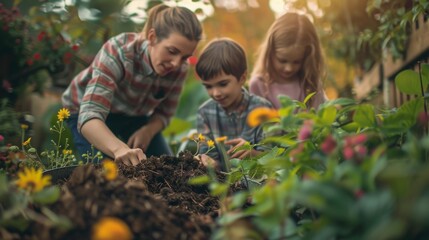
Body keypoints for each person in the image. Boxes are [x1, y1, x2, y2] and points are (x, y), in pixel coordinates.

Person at [61, 4, 203, 166]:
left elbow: (164, 113)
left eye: (185, 57)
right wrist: (119, 149)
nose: (176, 63)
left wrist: (147, 131)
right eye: (172, 51)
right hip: (85, 112)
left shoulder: (179, 69)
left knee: (166, 168)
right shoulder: (119, 53)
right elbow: (89, 117)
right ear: (152, 37)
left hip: (133, 113)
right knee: (104, 174)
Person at [195, 38, 273, 170]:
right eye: (208, 87)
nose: (216, 93)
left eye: (223, 84)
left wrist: (252, 153)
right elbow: (207, 153)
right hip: (222, 185)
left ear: (242, 78)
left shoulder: (262, 109)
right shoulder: (205, 113)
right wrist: (209, 162)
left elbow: (272, 156)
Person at [249, 12, 327, 110]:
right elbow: (258, 121)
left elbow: (319, 118)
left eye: (296, 62)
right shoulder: (259, 84)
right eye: (282, 60)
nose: (289, 68)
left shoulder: (310, 83)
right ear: (270, 53)